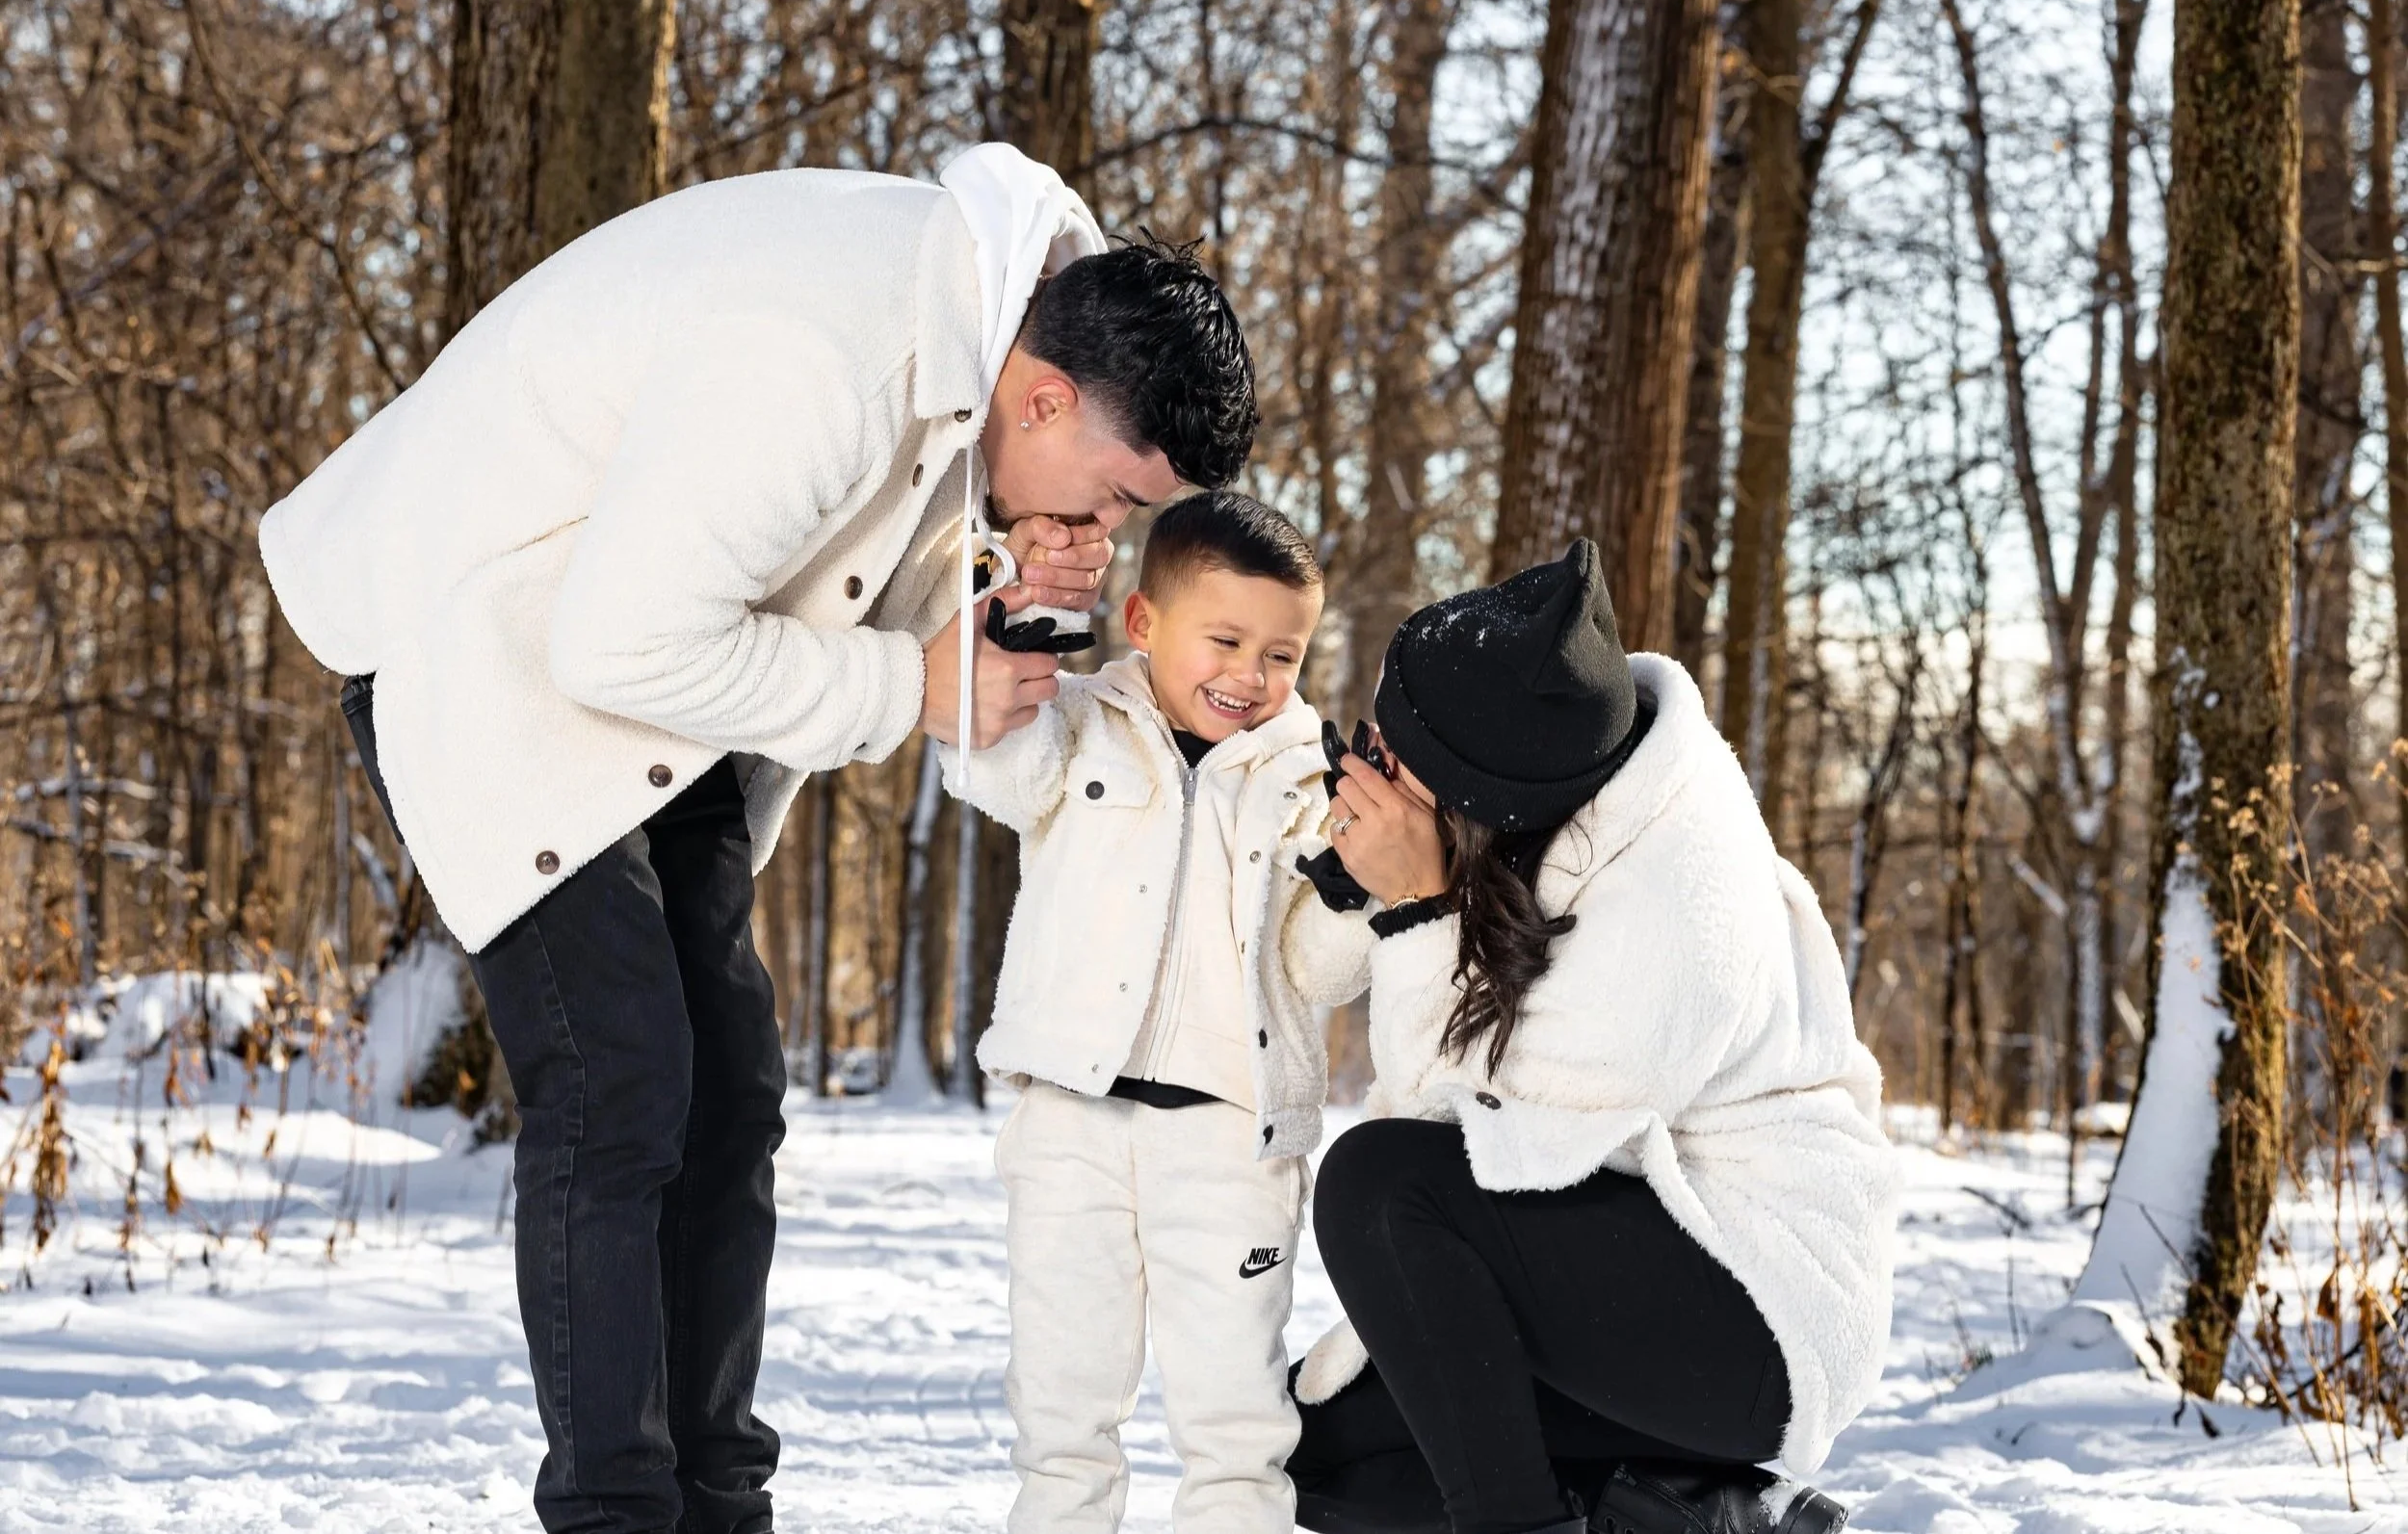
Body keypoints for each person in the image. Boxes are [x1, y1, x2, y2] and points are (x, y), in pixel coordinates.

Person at [257, 144, 1260, 1534]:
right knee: (622, 1076)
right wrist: (914, 687)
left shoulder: (983, 337)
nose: (1109, 529)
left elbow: (846, 587)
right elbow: (618, 638)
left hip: (666, 652)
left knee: (730, 1093)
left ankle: (719, 1505)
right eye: (1114, 495)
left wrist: (1000, 591)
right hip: (485, 634)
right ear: (1044, 396)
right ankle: (616, 1512)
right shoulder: (822, 354)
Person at [1289, 540, 1898, 1534]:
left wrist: (1412, 908)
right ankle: (1696, 1514)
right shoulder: (1570, 782)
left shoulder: (1668, 924)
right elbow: (1308, 968)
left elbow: (1470, 1141)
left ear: (1481, 797)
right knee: (1313, 1455)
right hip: (1646, 1259)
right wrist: (1366, 874)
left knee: (1376, 1181)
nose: (1371, 771)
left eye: (1397, 762)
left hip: (1758, 1320)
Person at [937, 493, 1374, 1534]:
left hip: (1228, 1137)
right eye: (1224, 639)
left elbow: (1319, 969)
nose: (1250, 675)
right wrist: (1014, 634)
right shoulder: (1079, 720)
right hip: (1070, 1124)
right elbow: (989, 767)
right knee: (1062, 1405)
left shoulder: (1309, 781)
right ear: (1144, 623)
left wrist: (1364, 878)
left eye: (1282, 653)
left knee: (1234, 1420)